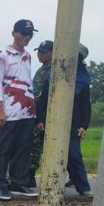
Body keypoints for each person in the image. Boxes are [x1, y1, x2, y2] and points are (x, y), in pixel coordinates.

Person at [35, 44, 93, 196]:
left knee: (73, 154)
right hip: (52, 120)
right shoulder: (53, 75)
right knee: (52, 154)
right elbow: (43, 99)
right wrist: (39, 119)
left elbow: (85, 105)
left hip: (73, 122)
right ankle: (50, 188)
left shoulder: (83, 80)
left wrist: (84, 125)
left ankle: (83, 187)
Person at [0, 19, 38, 201]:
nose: (27, 37)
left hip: (27, 110)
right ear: (14, 33)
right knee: (3, 149)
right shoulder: (2, 56)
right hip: (9, 109)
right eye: (23, 33)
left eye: (30, 34)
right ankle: (1, 184)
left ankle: (19, 182)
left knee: (23, 149)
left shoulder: (28, 56)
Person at [28, 40, 54, 187]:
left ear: (52, 53)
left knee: (39, 146)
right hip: (35, 112)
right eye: (39, 52)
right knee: (33, 144)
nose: (40, 55)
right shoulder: (41, 70)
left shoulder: (55, 70)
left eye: (43, 52)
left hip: (46, 114)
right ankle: (29, 175)